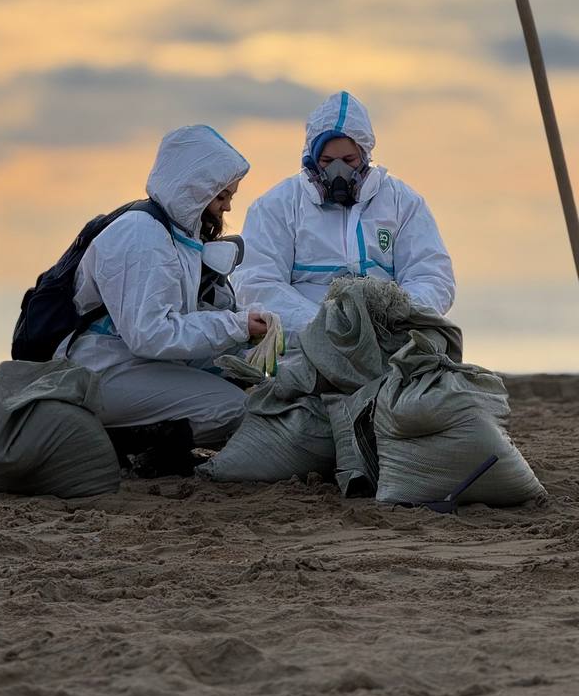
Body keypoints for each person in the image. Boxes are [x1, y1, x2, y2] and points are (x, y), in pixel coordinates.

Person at [56, 124, 267, 464]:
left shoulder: (174, 233)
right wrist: (236, 327)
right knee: (234, 409)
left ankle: (145, 438)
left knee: (237, 382)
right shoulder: (141, 236)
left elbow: (180, 318)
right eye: (222, 196)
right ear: (196, 188)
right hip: (98, 370)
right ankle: (125, 440)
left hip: (127, 362)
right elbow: (150, 336)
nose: (227, 209)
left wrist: (243, 340)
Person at [233, 91, 455, 335]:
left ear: (365, 155)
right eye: (328, 161)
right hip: (302, 346)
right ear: (313, 160)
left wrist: (391, 320)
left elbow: (432, 276)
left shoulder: (402, 202)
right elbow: (257, 283)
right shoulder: (277, 205)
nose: (339, 170)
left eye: (349, 159)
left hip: (388, 340)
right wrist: (325, 327)